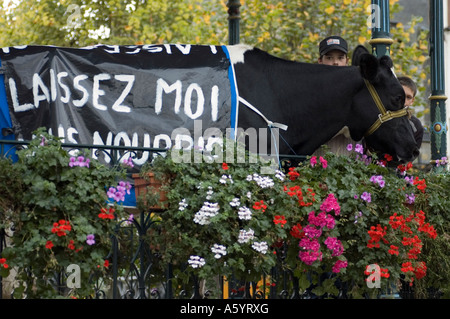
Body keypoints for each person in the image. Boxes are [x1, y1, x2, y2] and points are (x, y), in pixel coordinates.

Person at [314, 36, 357, 156]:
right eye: (329, 58)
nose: (335, 62)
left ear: (347, 61)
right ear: (320, 61)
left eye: (340, 57)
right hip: (318, 160)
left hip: (352, 164)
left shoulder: (357, 90)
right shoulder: (311, 90)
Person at [398, 76, 423, 148]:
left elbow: (413, 154)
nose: (403, 100)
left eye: (408, 97)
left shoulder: (416, 125)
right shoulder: (378, 117)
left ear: (412, 101)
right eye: (400, 94)